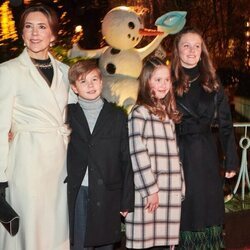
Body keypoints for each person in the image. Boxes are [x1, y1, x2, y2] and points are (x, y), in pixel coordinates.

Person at [0, 4, 70, 250]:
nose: (35, 33)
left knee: (56, 229)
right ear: (22, 33)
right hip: (25, 165)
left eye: (42, 27)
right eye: (28, 27)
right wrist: (0, 178)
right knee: (28, 231)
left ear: (53, 33)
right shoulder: (8, 71)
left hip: (60, 165)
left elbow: (73, 119)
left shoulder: (65, 72)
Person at [171, 27, 238, 249]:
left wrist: (231, 158)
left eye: (196, 46)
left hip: (207, 153)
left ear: (202, 51)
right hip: (179, 153)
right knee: (186, 206)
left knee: (209, 206)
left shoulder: (212, 79)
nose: (191, 51)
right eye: (186, 46)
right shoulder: (167, 79)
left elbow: (226, 123)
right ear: (177, 50)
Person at [66, 59, 134, 250]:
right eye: (83, 81)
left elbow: (126, 159)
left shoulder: (117, 116)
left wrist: (127, 199)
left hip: (108, 193)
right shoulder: (67, 114)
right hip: (78, 191)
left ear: (101, 82)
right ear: (74, 87)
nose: (90, 85)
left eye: (94, 79)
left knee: (105, 244)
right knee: (79, 244)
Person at [125, 57, 185, 249]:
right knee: (147, 241)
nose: (163, 85)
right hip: (151, 192)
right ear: (146, 81)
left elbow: (174, 154)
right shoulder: (139, 113)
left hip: (169, 189)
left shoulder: (166, 115)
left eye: (166, 80)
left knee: (163, 243)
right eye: (157, 80)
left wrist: (181, 185)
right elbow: (137, 153)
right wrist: (150, 190)